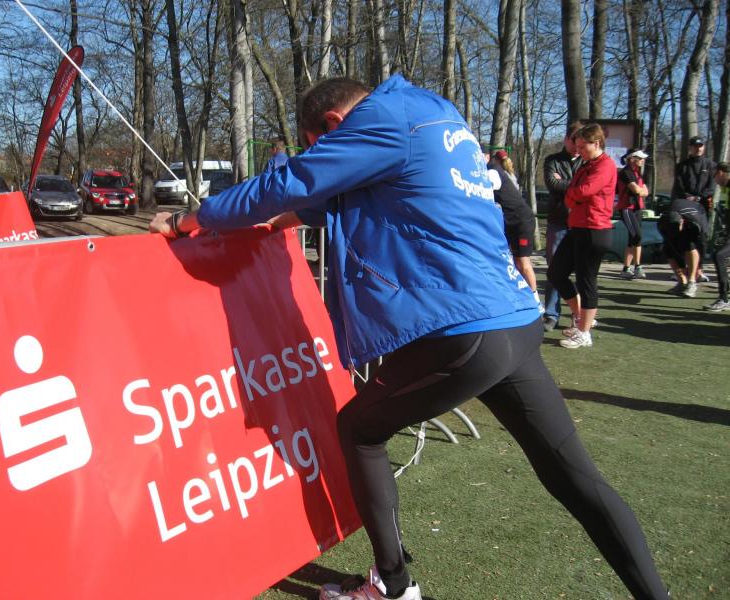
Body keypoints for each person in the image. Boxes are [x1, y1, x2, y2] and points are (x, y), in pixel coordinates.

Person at [150, 76, 669, 600]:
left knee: (358, 429)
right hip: (512, 317)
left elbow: (292, 183)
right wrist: (263, 221)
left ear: (333, 124)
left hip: (463, 329)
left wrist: (188, 220)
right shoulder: (431, 114)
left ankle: (393, 586)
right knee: (572, 476)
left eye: (319, 146)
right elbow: (327, 203)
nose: (323, 156)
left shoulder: (381, 120)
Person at [548, 123, 615, 349]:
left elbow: (584, 191)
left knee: (586, 280)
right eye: (576, 147)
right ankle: (582, 318)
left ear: (596, 143)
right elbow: (574, 192)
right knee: (556, 273)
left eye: (583, 147)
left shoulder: (605, 165)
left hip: (594, 230)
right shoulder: (586, 165)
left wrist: (571, 193)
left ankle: (584, 333)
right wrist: (573, 194)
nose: (579, 151)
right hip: (577, 227)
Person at [542, 122, 583, 331]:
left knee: (582, 272)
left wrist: (567, 183)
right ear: (566, 139)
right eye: (574, 141)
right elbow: (552, 184)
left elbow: (590, 188)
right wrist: (577, 184)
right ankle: (551, 314)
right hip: (558, 221)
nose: (577, 146)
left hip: (582, 223)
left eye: (581, 142)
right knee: (554, 270)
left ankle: (579, 315)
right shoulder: (552, 160)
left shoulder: (587, 162)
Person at [488, 148, 541, 310]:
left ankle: (536, 302)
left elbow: (486, 188)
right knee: (515, 262)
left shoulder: (493, 172)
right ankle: (523, 296)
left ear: (489, 157)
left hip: (520, 221)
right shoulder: (501, 172)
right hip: (511, 221)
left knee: (523, 262)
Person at [672, 136, 715, 281]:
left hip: (702, 207)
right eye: (695, 146)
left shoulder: (710, 165)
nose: (698, 149)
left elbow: (711, 187)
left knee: (701, 239)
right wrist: (687, 197)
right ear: (690, 148)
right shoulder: (682, 165)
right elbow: (678, 186)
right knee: (684, 238)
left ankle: (699, 270)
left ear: (704, 147)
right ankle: (684, 269)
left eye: (700, 146)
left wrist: (699, 197)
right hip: (685, 206)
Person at [616, 149, 650, 280]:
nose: (642, 160)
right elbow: (637, 190)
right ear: (632, 159)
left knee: (633, 238)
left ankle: (626, 269)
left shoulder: (638, 173)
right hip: (627, 208)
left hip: (637, 209)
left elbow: (645, 191)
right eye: (640, 158)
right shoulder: (626, 173)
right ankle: (638, 267)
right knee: (637, 236)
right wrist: (641, 191)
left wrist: (642, 191)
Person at [704, 162, 730, 311]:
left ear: (720, 173)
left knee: (719, 256)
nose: (714, 180)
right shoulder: (725, 188)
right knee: (720, 256)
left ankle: (724, 299)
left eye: (714, 176)